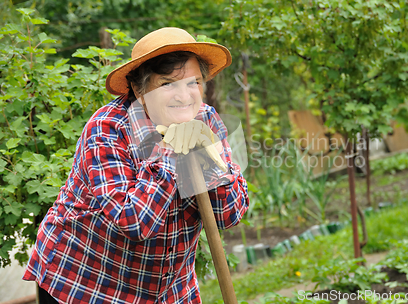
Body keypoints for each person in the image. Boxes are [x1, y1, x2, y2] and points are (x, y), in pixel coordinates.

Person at [23, 27, 249, 304]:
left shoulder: (206, 120)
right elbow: (134, 223)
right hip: (86, 281)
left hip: (166, 287)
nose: (185, 96)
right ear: (138, 89)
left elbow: (230, 215)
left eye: (193, 83)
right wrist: (171, 152)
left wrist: (211, 160)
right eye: (167, 84)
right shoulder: (108, 129)